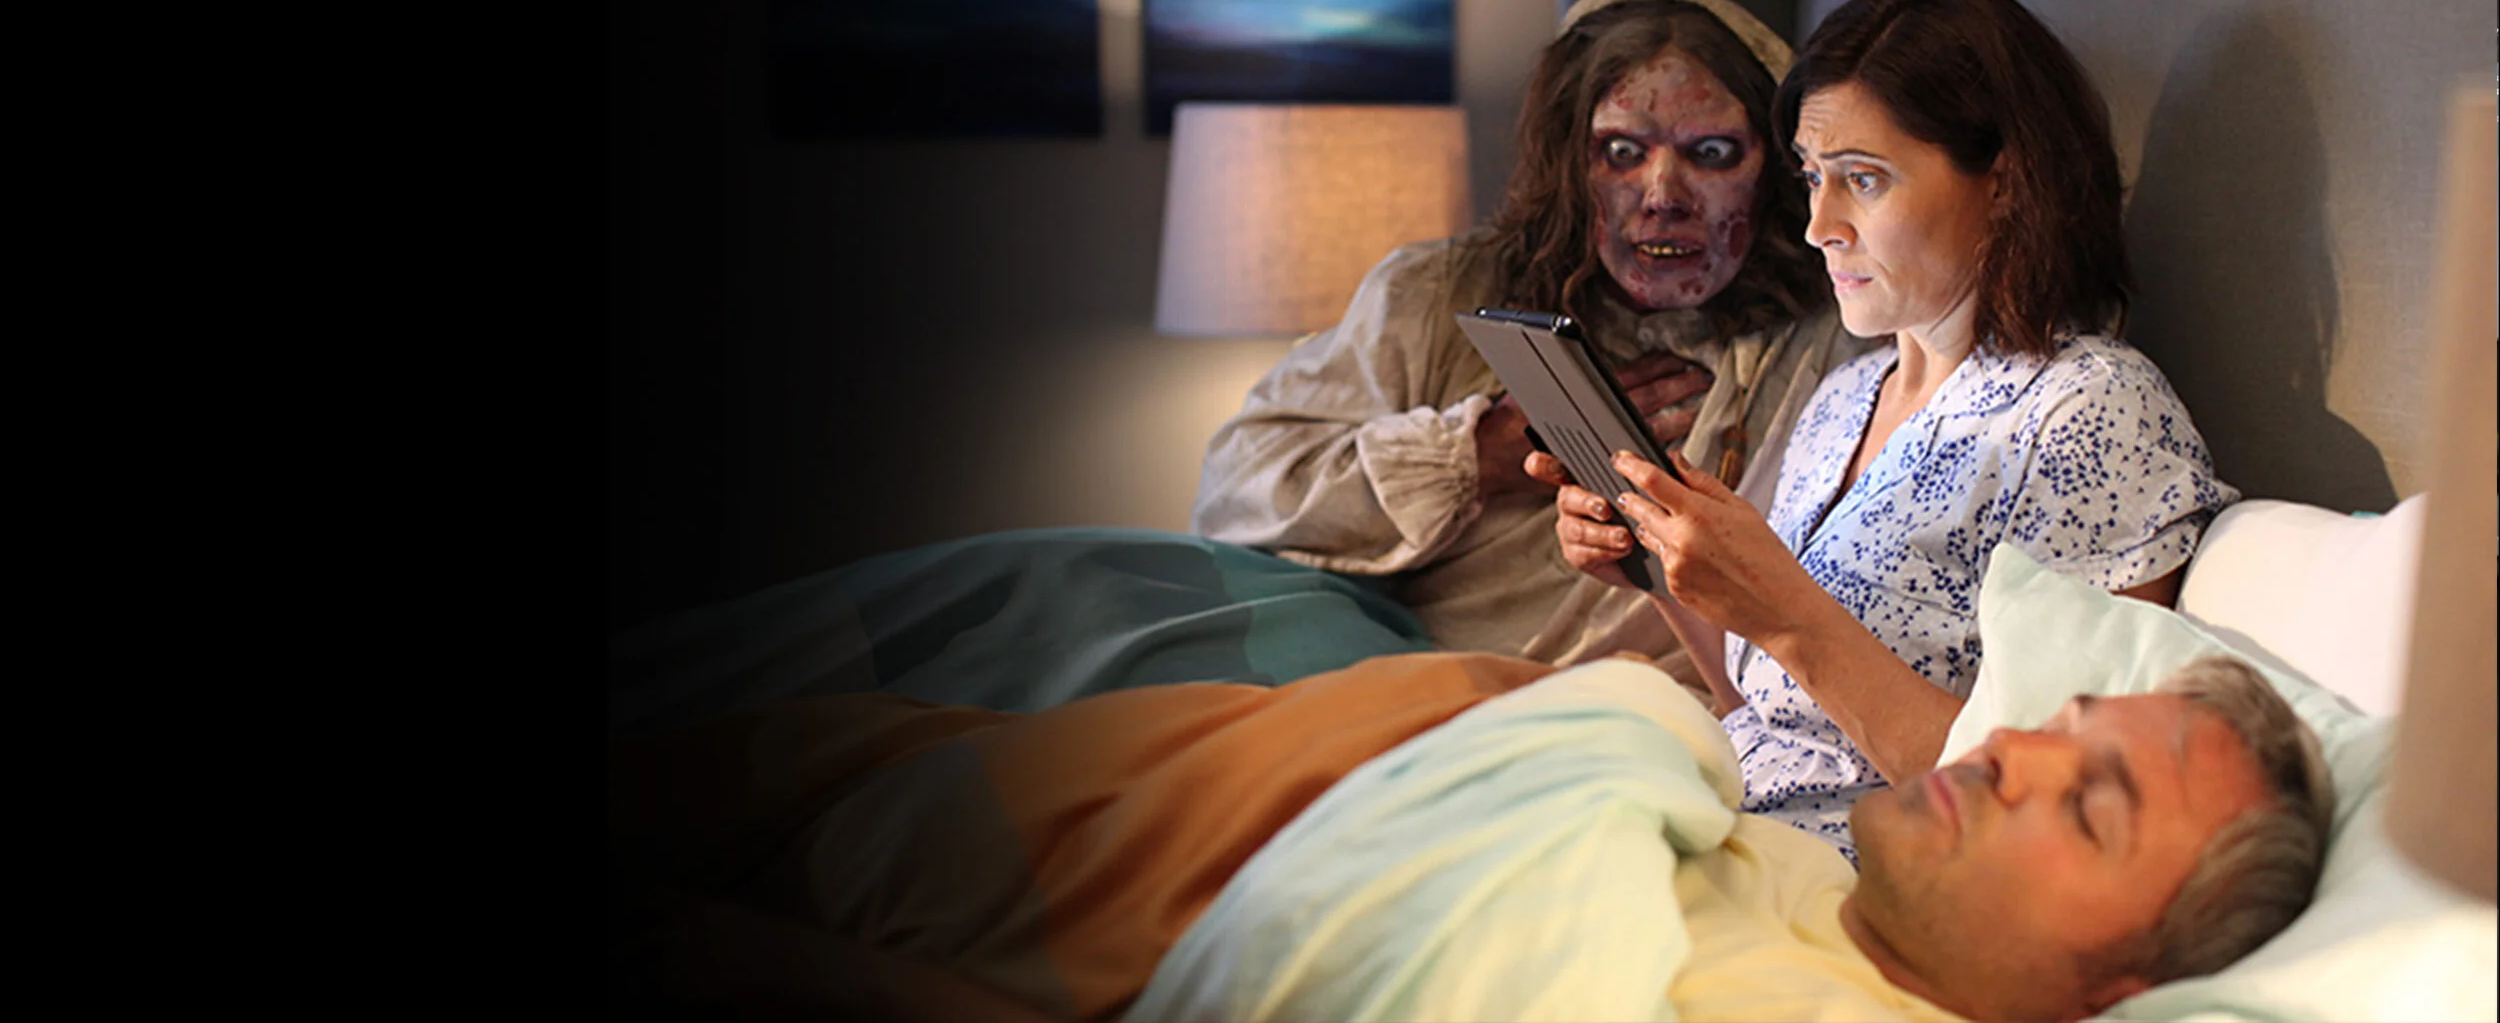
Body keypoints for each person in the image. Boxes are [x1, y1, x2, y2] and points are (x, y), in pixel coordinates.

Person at [610, 649, 2333, 1023]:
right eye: (2058, 725)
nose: (2010, 749)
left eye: (2087, 800)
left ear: (2122, 990)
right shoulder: (1827, 885)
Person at [1540, 0, 2239, 858]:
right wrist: (1662, 570)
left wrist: (1789, 613)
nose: (1818, 225)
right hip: (1724, 821)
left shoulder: (2087, 412)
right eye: (1812, 177)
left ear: (2007, 183)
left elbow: (2048, 818)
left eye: (1863, 180)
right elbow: (1772, 709)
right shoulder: (1845, 399)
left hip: (1845, 878)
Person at [1192, 0, 1871, 690]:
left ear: (1776, 171)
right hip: (1415, 680)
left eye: (1712, 152)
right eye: (1620, 151)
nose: (1663, 196)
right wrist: (1479, 452)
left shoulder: (1837, 342)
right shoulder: (1437, 294)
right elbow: (1233, 492)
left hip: (1650, 715)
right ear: (1568, 163)